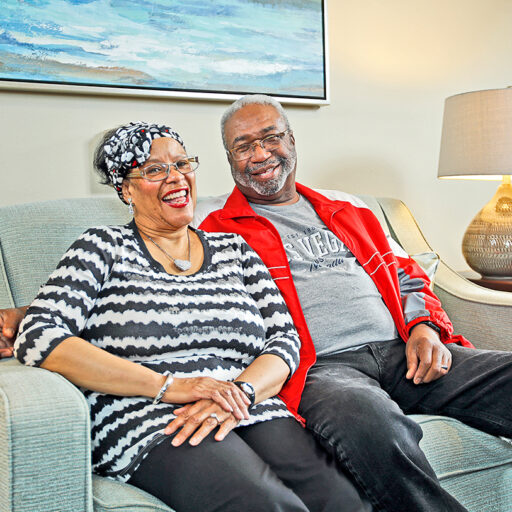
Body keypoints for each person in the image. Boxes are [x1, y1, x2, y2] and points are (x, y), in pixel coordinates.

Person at [12, 122, 371, 512]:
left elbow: (284, 340)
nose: (176, 177)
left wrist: (242, 392)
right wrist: (171, 386)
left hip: (240, 403)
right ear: (125, 189)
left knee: (343, 501)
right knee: (266, 504)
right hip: (145, 415)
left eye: (182, 163)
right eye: (154, 169)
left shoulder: (234, 249)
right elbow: (38, 336)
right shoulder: (100, 247)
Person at [192, 94, 512, 512]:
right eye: (243, 145)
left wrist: (424, 327)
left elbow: (406, 273)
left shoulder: (350, 208)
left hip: (403, 353)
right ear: (228, 157)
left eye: (271, 138)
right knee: (370, 425)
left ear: (291, 139)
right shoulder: (210, 227)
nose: (260, 154)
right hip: (321, 369)